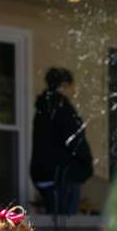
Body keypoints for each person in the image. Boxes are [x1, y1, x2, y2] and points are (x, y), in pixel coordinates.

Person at [30, 67, 93, 216]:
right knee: (66, 221)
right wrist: (86, 163)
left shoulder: (43, 109)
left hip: (42, 173)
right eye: (71, 87)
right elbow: (75, 140)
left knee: (54, 217)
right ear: (64, 86)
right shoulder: (62, 108)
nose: (73, 92)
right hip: (62, 175)